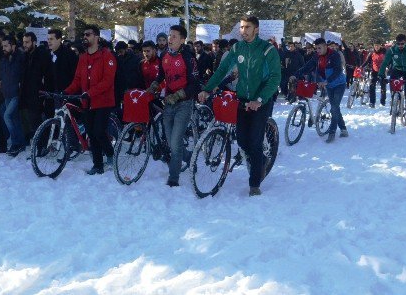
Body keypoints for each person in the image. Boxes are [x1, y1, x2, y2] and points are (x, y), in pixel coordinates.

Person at [199, 16, 281, 196]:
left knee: (254, 140)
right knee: (242, 141)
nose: (243, 30)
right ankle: (258, 161)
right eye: (242, 27)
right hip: (243, 100)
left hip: (261, 101)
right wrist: (207, 89)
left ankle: (254, 183)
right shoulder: (237, 48)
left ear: (256, 29)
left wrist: (259, 99)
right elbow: (222, 71)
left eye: (248, 27)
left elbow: (275, 77)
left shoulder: (267, 50)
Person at [148, 24, 200, 187]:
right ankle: (190, 157)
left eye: (174, 36)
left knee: (176, 141)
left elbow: (195, 84)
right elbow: (161, 75)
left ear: (183, 40)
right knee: (171, 142)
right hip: (168, 104)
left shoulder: (188, 58)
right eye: (169, 36)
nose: (170, 39)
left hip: (183, 104)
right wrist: (155, 84)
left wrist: (178, 95)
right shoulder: (164, 54)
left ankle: (173, 178)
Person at [64, 25, 117, 175]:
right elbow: (77, 80)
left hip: (103, 101)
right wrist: (66, 92)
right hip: (87, 102)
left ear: (96, 37)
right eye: (84, 34)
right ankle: (97, 164)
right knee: (91, 134)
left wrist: (89, 92)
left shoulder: (107, 56)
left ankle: (110, 153)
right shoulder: (83, 57)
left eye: (88, 34)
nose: (85, 37)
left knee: (99, 131)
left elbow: (108, 81)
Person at [292, 37, 347, 143]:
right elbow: (308, 67)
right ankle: (343, 128)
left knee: (334, 107)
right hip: (329, 86)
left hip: (339, 84)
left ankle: (332, 131)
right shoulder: (317, 56)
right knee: (334, 108)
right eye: (316, 48)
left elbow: (338, 70)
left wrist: (327, 81)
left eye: (319, 48)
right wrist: (296, 75)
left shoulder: (334, 55)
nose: (317, 50)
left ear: (325, 46)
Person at [379, 34, 406, 126]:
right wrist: (381, 74)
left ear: (405, 42)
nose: (400, 45)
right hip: (397, 69)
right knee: (392, 84)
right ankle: (394, 103)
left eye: (402, 44)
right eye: (398, 44)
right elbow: (385, 62)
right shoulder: (392, 50)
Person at [0, 36, 27, 156]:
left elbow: (24, 75)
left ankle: (16, 143)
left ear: (13, 46)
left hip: (16, 93)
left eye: (6, 46)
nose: (3, 48)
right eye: (2, 46)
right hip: (6, 93)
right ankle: (21, 144)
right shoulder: (3, 60)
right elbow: (2, 75)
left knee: (7, 116)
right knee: (14, 119)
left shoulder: (21, 58)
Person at [20, 31, 49, 145]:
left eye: (27, 42)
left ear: (34, 42)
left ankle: (42, 145)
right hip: (27, 93)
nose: (25, 45)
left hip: (38, 93)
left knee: (37, 121)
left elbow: (45, 74)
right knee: (32, 121)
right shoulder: (25, 55)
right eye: (24, 42)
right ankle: (38, 145)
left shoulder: (42, 54)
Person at [44, 28, 78, 117]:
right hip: (51, 94)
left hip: (65, 93)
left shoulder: (69, 54)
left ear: (59, 40)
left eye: (51, 39)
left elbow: (75, 74)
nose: (49, 42)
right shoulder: (47, 54)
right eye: (48, 39)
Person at [114, 41, 143, 107]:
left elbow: (139, 75)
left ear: (126, 49)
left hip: (134, 89)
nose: (119, 54)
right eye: (118, 52)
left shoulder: (136, 59)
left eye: (121, 51)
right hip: (120, 90)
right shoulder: (117, 59)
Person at [361, 41, 387, 108]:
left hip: (382, 71)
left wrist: (388, 67)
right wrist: (361, 67)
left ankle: (382, 101)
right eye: (375, 46)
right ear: (374, 46)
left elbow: (388, 60)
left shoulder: (384, 52)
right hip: (374, 71)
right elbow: (367, 61)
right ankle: (372, 102)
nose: (376, 47)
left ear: (380, 46)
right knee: (372, 87)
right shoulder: (372, 53)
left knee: (383, 87)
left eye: (378, 45)